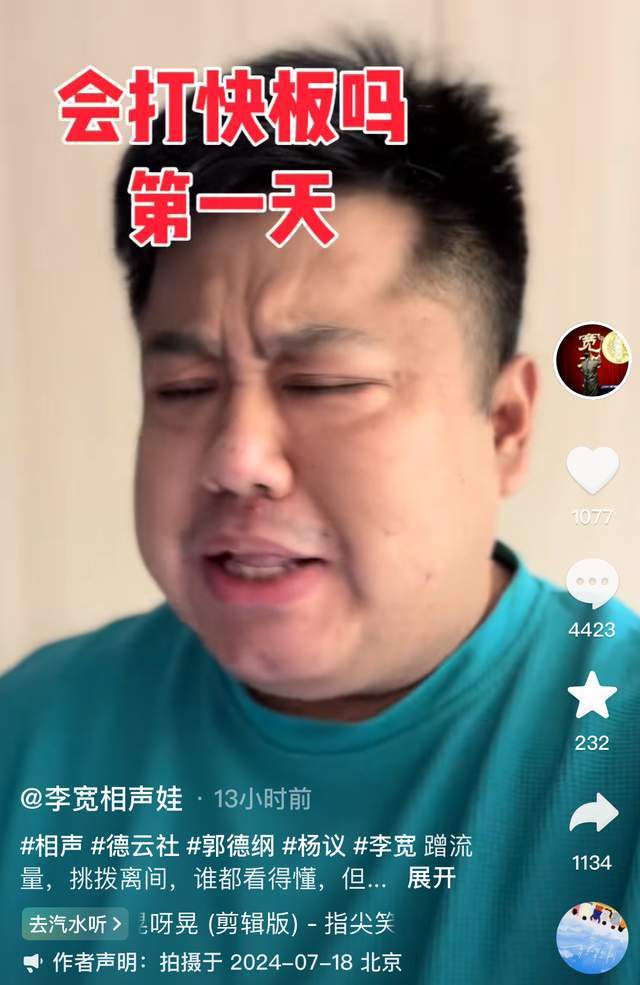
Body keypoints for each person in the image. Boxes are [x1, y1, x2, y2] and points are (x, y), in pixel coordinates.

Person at [1, 39, 639, 984]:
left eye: (326, 383)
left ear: (506, 424)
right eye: (183, 388)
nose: (237, 458)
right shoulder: (34, 732)